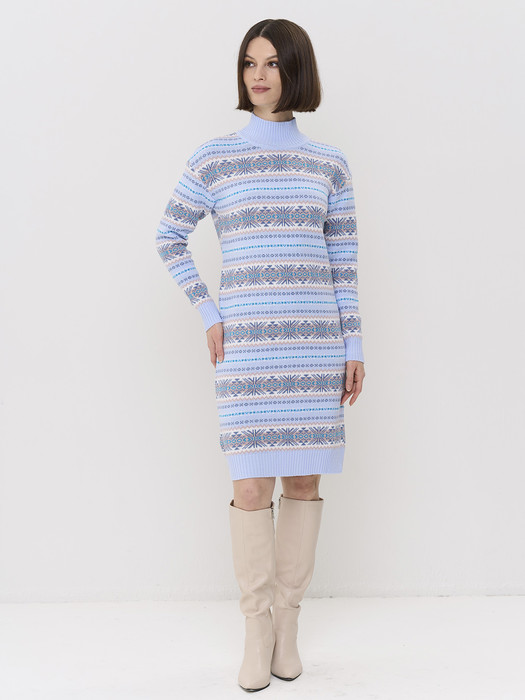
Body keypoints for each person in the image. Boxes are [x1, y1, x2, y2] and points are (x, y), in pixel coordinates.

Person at [155, 17, 365, 693]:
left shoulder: (328, 163)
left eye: (272, 62)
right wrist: (208, 311)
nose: (258, 75)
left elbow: (343, 261)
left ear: (295, 70)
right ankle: (255, 630)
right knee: (249, 488)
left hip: (315, 347)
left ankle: (287, 629)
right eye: (250, 62)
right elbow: (168, 237)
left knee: (302, 483)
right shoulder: (215, 158)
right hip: (247, 349)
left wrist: (354, 344)